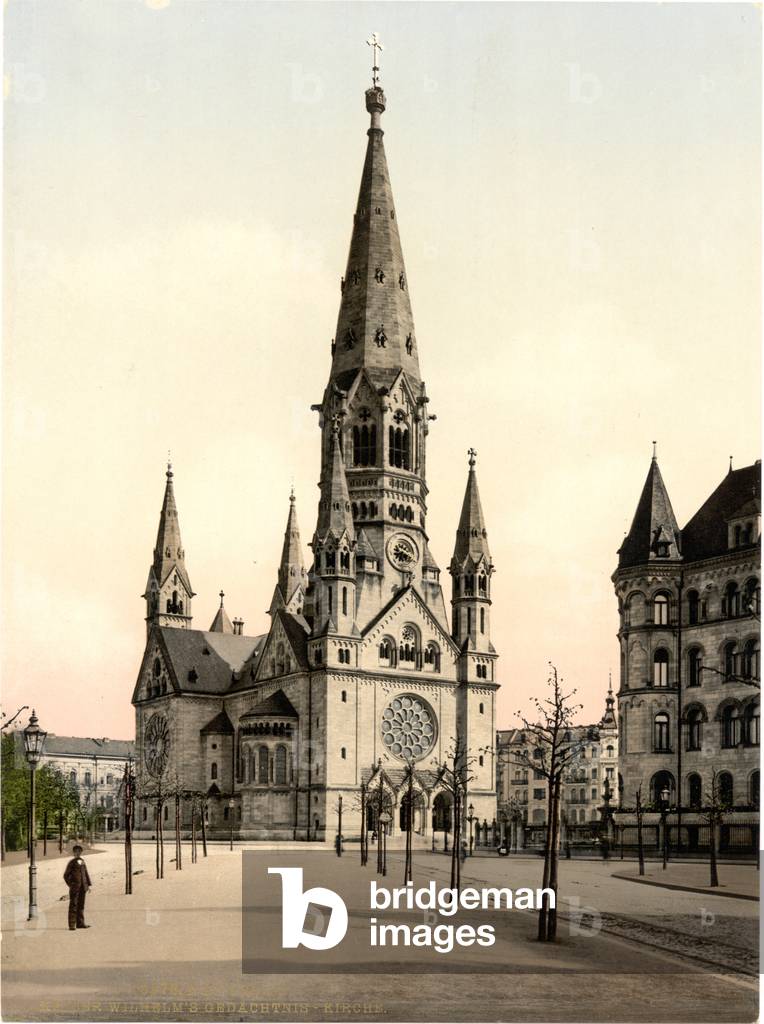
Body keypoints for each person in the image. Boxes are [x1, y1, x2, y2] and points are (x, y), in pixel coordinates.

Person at [64, 844, 92, 930]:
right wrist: (71, 885)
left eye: (79, 852)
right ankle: (72, 925)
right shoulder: (71, 863)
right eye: (76, 852)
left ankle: (80, 923)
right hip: (75, 888)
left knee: (81, 905)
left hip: (83, 887)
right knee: (74, 905)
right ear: (73, 852)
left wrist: (88, 885)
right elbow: (66, 875)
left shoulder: (82, 861)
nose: (78, 853)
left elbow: (85, 874)